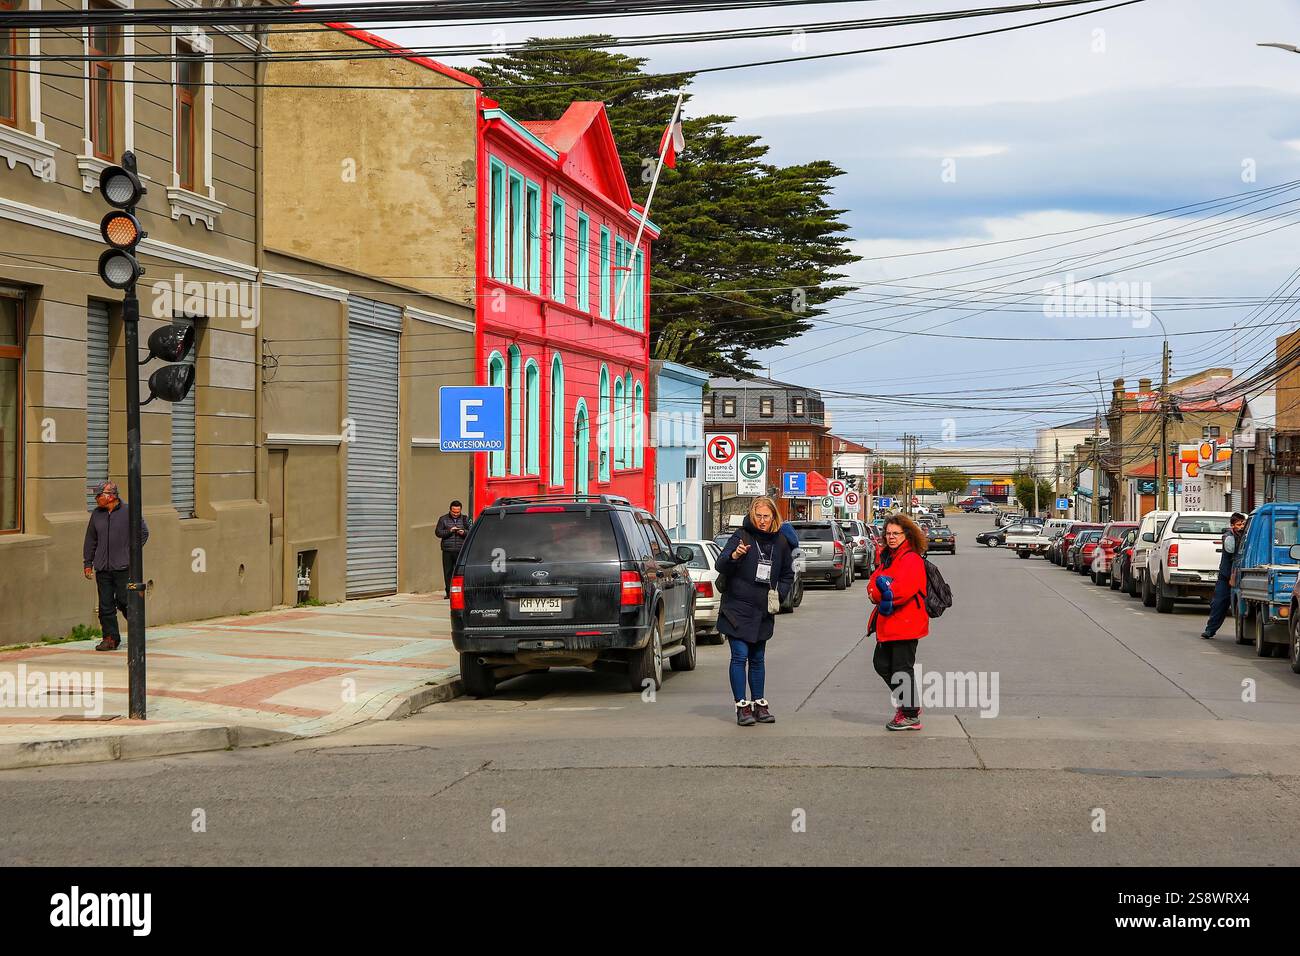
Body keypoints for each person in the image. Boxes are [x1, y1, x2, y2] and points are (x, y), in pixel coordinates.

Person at [715, 496, 795, 726]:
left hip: (762, 610)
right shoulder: (741, 536)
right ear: (752, 516)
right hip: (737, 608)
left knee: (758, 658)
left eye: (766, 516)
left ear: (773, 518)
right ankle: (742, 707)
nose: (762, 521)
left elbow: (788, 574)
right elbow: (720, 565)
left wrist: (778, 593)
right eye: (758, 516)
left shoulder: (780, 542)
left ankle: (759, 704)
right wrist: (735, 556)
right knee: (739, 656)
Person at [867, 513, 929, 730]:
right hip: (888, 623)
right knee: (881, 664)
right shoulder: (888, 557)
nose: (891, 537)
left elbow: (902, 590)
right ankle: (909, 705)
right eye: (888, 533)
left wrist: (883, 591)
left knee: (902, 668)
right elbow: (874, 584)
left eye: (896, 533)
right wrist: (879, 591)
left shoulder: (910, 558)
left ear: (907, 535)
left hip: (906, 624)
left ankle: (910, 714)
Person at [83, 480, 148, 652]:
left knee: (124, 601)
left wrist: (130, 552)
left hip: (123, 567)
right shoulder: (96, 514)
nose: (96, 499)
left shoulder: (129, 512)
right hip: (103, 568)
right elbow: (91, 540)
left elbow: (143, 533)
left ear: (110, 496)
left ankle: (136, 632)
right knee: (105, 605)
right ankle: (110, 638)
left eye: (99, 495)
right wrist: (88, 563)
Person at [1202, 511, 1247, 640]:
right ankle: (1210, 630)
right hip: (1226, 577)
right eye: (1239, 524)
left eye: (1243, 524)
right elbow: (1231, 549)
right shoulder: (1228, 537)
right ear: (1232, 525)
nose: (1241, 526)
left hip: (1240, 577)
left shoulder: (1246, 536)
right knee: (1218, 604)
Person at [435, 500, 472, 598]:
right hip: (447, 550)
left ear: (460, 510)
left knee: (460, 572)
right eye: (454, 511)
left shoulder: (465, 519)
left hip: (460, 550)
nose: (455, 514)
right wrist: (450, 531)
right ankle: (449, 593)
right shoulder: (443, 519)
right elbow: (438, 533)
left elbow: (471, 532)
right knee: (448, 572)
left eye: (457, 512)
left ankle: (461, 592)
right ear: (450, 510)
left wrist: (463, 532)